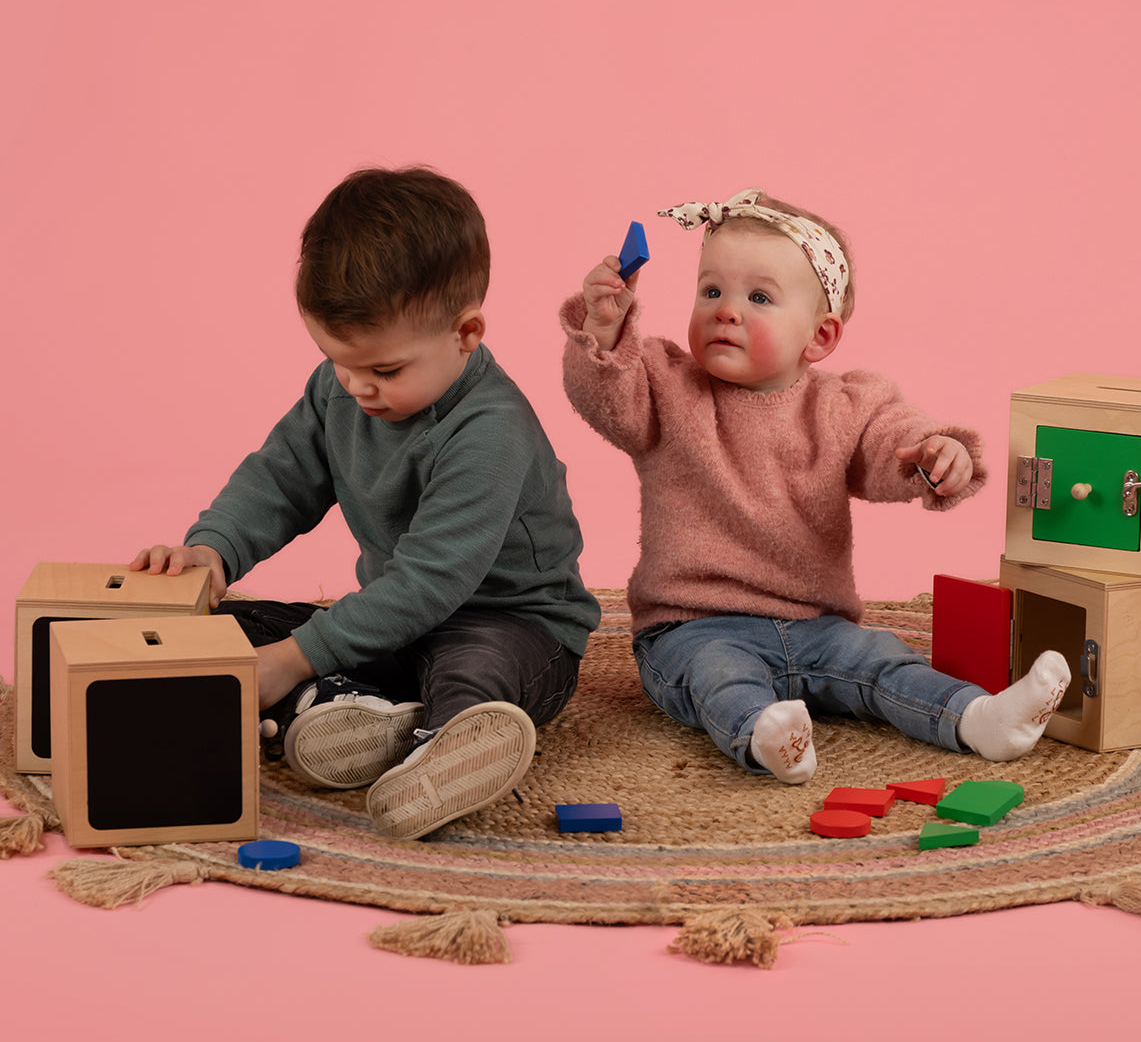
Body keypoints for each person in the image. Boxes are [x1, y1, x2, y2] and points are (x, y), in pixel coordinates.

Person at [133, 166, 600, 837]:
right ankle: (367, 718)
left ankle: (441, 751)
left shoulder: (490, 430)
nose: (357, 387)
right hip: (399, 626)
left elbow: (428, 584)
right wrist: (214, 550)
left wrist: (294, 659)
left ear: (466, 334)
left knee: (471, 669)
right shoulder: (340, 389)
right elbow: (280, 477)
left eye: (385, 370)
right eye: (337, 361)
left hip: (514, 627)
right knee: (232, 630)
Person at [561, 187, 1068, 784]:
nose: (727, 310)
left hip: (819, 626)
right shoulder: (665, 386)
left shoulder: (844, 405)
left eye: (759, 297)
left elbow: (890, 438)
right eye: (711, 290)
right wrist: (604, 325)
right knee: (717, 676)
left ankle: (978, 718)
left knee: (883, 661)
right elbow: (603, 396)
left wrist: (936, 452)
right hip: (691, 625)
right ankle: (765, 735)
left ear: (820, 338)